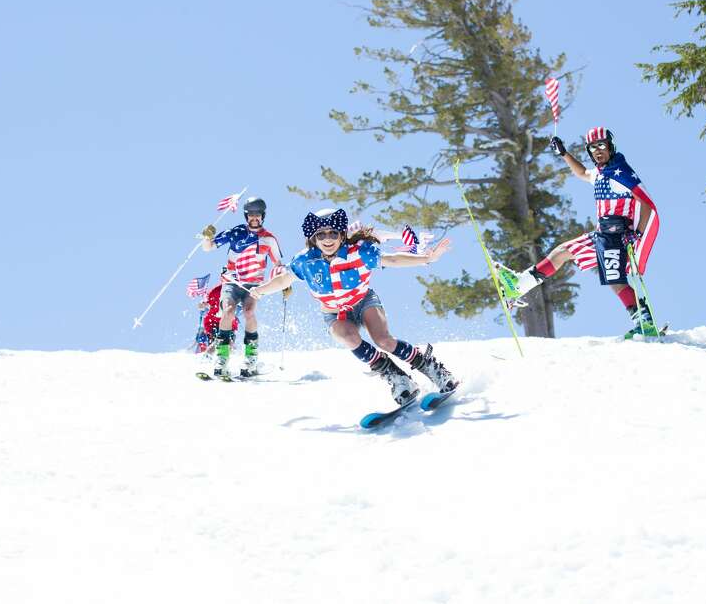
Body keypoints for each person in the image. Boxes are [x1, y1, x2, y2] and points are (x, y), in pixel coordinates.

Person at [249, 208, 458, 406]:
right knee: (347, 336)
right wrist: (261, 290)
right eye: (321, 235)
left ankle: (432, 368)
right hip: (334, 313)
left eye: (333, 233)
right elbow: (284, 280)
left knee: (383, 340)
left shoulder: (359, 253)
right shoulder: (306, 261)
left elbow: (392, 259)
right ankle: (396, 377)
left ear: (342, 234)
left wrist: (427, 258)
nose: (328, 239)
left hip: (363, 301)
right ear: (314, 239)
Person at [495, 126, 661, 338]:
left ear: (610, 146)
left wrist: (636, 234)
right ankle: (519, 285)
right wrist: (564, 153)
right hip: (602, 235)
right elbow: (582, 173)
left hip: (616, 236)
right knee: (563, 252)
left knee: (615, 280)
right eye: (592, 148)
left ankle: (645, 323)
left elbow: (645, 203)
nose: (597, 151)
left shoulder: (622, 173)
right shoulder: (601, 173)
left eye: (601, 145)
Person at [200, 197, 284, 376]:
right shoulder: (236, 232)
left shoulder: (269, 239)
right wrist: (206, 236)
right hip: (232, 281)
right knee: (228, 311)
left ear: (263, 216)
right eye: (251, 215)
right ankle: (222, 358)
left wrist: (284, 283)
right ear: (246, 216)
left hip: (253, 284)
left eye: (258, 215)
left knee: (248, 312)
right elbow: (208, 247)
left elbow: (279, 265)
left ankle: (251, 357)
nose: (255, 218)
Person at [194, 281, 240, 354]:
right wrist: (202, 304)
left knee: (227, 343)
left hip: (227, 322)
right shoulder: (215, 291)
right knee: (221, 342)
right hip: (214, 323)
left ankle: (220, 359)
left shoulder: (237, 290)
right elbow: (205, 303)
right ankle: (208, 358)